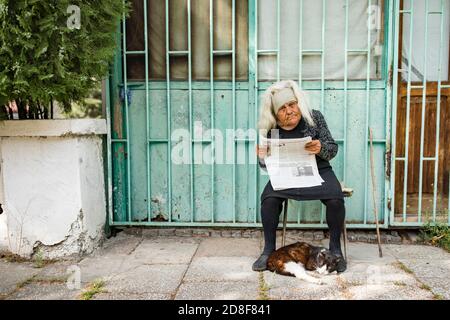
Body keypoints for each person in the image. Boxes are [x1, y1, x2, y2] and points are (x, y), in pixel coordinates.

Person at [252, 80, 347, 273]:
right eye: (282, 108)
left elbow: (332, 149)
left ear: (297, 103)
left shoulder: (314, 118)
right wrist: (262, 157)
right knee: (268, 199)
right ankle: (268, 249)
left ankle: (336, 249)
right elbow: (266, 168)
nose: (289, 111)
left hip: (319, 169)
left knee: (335, 197)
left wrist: (320, 147)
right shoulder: (272, 129)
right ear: (275, 113)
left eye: (292, 105)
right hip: (285, 174)